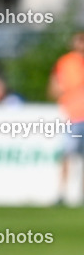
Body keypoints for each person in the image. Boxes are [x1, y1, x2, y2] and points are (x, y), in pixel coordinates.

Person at [49, 31, 84, 204]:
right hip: (74, 116)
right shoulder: (66, 62)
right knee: (67, 154)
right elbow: (55, 83)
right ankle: (61, 193)